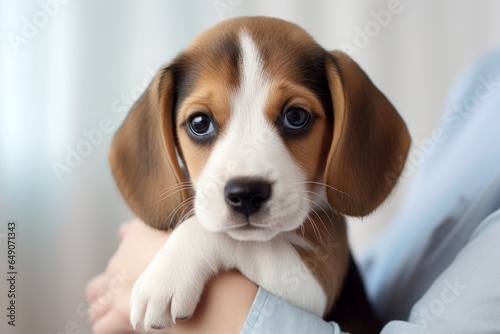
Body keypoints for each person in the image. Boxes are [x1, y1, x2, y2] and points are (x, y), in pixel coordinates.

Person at [86, 49, 500, 333]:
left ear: (342, 126)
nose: (245, 176)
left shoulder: (322, 223)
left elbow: (308, 298)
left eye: (295, 117)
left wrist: (192, 245)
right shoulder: (485, 81)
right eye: (201, 124)